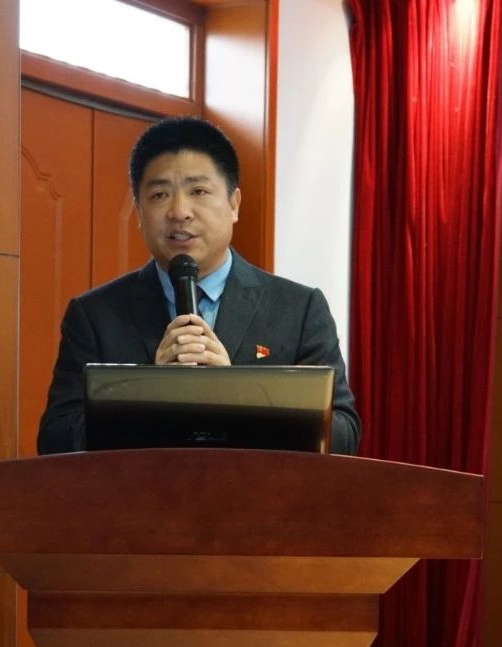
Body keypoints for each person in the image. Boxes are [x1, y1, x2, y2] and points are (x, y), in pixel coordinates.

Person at [36, 116, 360, 455]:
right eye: (159, 194)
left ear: (233, 204)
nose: (179, 211)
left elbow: (341, 436)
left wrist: (237, 394)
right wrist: (150, 394)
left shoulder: (298, 309)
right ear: (139, 212)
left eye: (198, 191)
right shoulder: (95, 315)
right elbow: (57, 440)